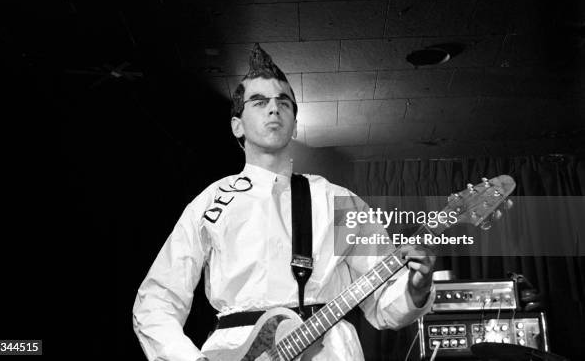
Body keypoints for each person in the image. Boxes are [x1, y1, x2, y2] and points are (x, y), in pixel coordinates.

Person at [132, 44, 436, 361]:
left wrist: (416, 287)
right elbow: (156, 300)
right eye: (260, 102)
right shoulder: (209, 204)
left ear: (294, 125)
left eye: (284, 103)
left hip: (327, 350)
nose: (274, 109)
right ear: (237, 125)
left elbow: (384, 304)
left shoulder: (338, 200)